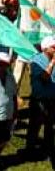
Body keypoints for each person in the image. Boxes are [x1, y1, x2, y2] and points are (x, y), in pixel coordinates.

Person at [26, 35, 55, 164]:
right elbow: (44, 77)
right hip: (39, 100)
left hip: (52, 99)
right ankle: (30, 151)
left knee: (50, 127)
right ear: (45, 48)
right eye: (54, 47)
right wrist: (53, 62)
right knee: (34, 126)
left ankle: (47, 151)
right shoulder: (36, 61)